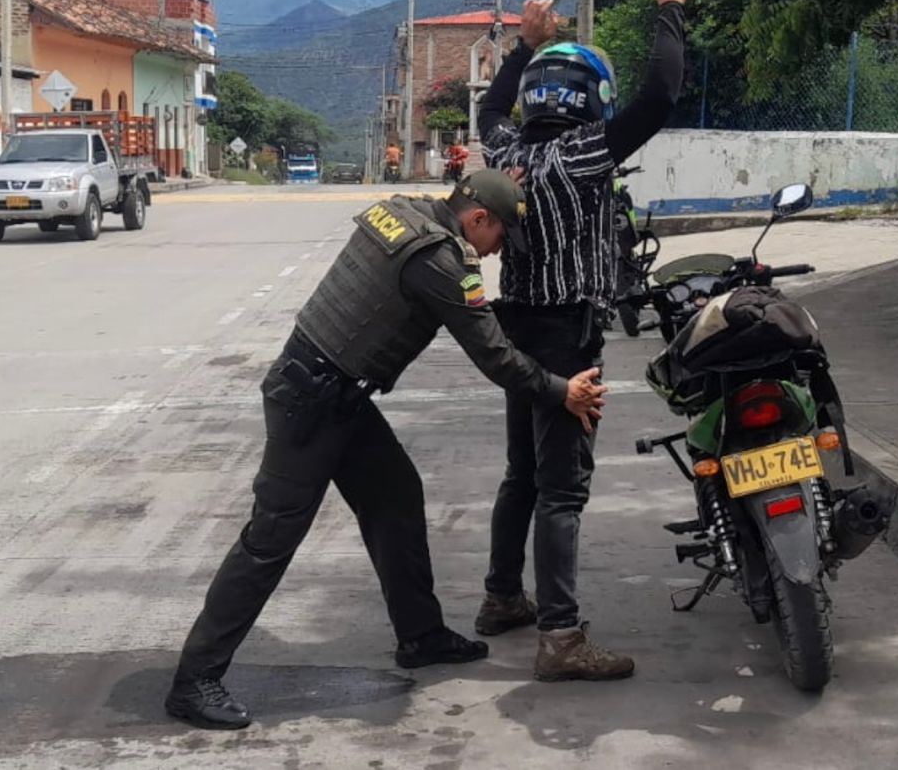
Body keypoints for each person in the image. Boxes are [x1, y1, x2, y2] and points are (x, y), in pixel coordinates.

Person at [166, 170, 610, 729]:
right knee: (269, 541)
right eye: (499, 237)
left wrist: (499, 184)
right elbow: (493, 355)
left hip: (335, 394)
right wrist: (560, 390)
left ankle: (421, 637)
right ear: (477, 219)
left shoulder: (406, 209)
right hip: (311, 402)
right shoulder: (442, 262)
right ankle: (194, 679)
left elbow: (462, 197)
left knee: (397, 496)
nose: (498, 252)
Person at [472, 0, 692, 681]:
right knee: (562, 489)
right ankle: (561, 639)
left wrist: (520, 47)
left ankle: (503, 597)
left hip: (517, 334)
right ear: (591, 98)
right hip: (567, 338)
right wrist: (668, 10)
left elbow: (488, 115)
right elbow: (660, 95)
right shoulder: (584, 154)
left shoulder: (508, 154)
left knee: (522, 475)